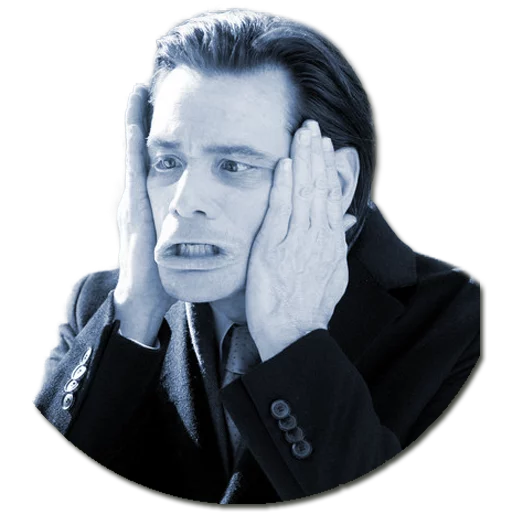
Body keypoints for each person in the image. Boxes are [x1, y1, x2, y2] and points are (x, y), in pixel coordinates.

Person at [33, 8, 480, 504]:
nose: (183, 200)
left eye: (232, 165)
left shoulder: (469, 328)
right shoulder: (102, 310)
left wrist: (293, 341)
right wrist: (135, 312)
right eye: (168, 162)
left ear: (333, 184)